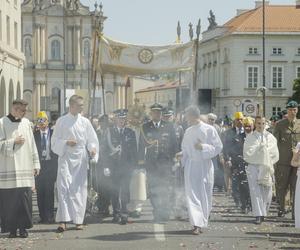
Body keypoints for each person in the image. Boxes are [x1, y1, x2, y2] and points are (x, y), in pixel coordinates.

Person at [51, 95, 99, 232]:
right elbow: (54, 141)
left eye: (83, 105)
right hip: (65, 157)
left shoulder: (85, 122)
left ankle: (78, 220)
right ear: (71, 105)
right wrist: (66, 142)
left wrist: (93, 149)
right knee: (63, 188)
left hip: (80, 160)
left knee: (79, 189)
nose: (82, 107)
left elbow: (92, 139)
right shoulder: (61, 121)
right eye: (80, 105)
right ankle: (63, 221)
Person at [0, 99, 40, 238]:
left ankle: (23, 229)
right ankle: (11, 230)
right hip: (8, 169)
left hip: (25, 168)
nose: (24, 113)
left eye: (25, 111)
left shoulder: (26, 123)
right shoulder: (2, 122)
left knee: (24, 200)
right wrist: (13, 142)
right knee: (9, 202)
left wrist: (36, 164)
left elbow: (32, 144)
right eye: (22, 110)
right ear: (15, 108)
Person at [181, 106, 223, 235]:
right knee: (192, 194)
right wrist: (181, 156)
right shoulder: (188, 131)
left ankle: (201, 221)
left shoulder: (209, 129)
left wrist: (203, 147)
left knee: (204, 194)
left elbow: (218, 147)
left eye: (187, 116)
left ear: (194, 116)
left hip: (204, 166)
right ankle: (196, 224)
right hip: (191, 165)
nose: (186, 118)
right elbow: (185, 148)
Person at [139, 103, 178, 222]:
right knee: (153, 188)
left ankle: (164, 212)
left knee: (165, 188)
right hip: (151, 163)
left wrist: (175, 160)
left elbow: (174, 144)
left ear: (161, 114)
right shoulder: (145, 127)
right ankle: (157, 211)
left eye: (159, 112)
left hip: (165, 163)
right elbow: (141, 145)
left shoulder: (169, 126)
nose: (157, 114)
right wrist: (141, 162)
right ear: (151, 113)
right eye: (155, 112)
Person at [244, 116, 279, 224]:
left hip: (267, 166)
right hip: (254, 166)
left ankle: (264, 211)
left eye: (262, 123)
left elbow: (274, 152)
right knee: (255, 191)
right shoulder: (250, 137)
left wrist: (265, 151)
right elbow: (247, 152)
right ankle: (258, 215)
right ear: (255, 124)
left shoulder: (270, 137)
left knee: (267, 192)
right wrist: (259, 149)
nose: (260, 126)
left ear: (265, 124)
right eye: (258, 123)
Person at [104, 109, 137, 225]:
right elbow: (104, 150)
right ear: (115, 120)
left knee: (125, 191)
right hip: (113, 167)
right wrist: (106, 166)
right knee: (114, 191)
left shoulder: (130, 132)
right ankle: (116, 214)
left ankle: (124, 214)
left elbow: (134, 151)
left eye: (123, 119)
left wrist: (134, 166)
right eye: (119, 119)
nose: (121, 121)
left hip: (126, 167)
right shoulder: (109, 132)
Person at [273, 100, 300, 218]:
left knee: (295, 186)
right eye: (290, 110)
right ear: (287, 110)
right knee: (282, 186)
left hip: (297, 162)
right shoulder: (280, 125)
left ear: (297, 110)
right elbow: (274, 143)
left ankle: (295, 210)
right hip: (283, 161)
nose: (292, 112)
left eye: (294, 110)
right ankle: (282, 208)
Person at [223, 112, 251, 213]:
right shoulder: (228, 132)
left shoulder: (248, 132)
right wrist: (227, 159)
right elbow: (225, 147)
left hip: (246, 161)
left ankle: (245, 203)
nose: (239, 121)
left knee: (245, 183)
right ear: (234, 121)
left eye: (241, 119)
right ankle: (237, 200)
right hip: (234, 161)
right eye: (237, 119)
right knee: (235, 182)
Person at [34, 111, 58, 224]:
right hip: (39, 166)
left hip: (50, 165)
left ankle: (50, 216)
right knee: (40, 191)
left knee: (49, 191)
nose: (42, 123)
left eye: (43, 121)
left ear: (48, 122)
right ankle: (42, 216)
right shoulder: (35, 135)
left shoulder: (54, 133)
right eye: (39, 121)